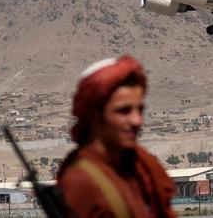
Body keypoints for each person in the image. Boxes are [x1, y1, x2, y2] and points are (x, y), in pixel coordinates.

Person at [57, 56, 176, 218]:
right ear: (94, 115)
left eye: (139, 110)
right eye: (123, 111)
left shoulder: (141, 168)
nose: (137, 121)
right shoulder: (81, 181)